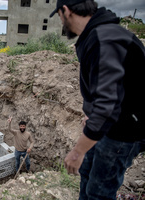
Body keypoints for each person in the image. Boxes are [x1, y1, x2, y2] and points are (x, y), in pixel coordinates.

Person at [50, 0, 145, 199]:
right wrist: (93, 116)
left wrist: (76, 152)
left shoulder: (105, 39)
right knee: (86, 172)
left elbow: (107, 105)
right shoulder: (95, 36)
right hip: (111, 123)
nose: (61, 22)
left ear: (65, 11)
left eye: (59, 16)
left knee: (99, 192)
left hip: (125, 130)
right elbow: (113, 87)